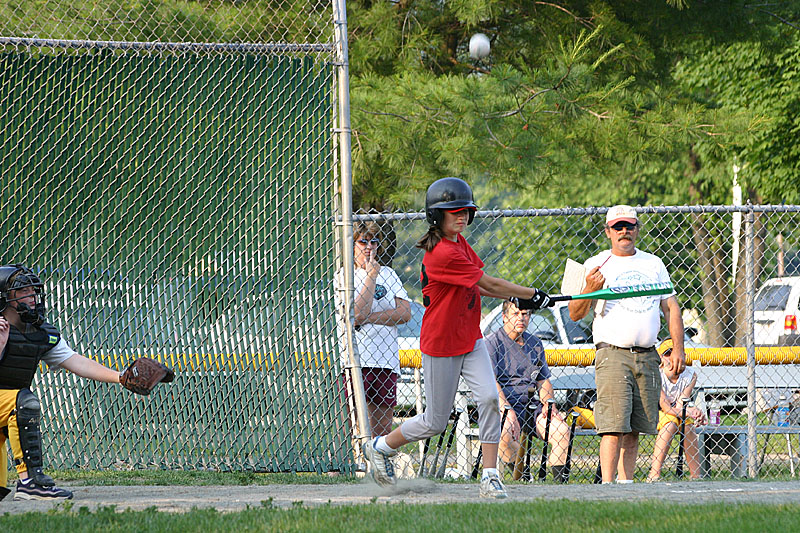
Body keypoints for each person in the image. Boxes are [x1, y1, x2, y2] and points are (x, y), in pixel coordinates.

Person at [361, 177, 553, 499]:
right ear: (437, 216)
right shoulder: (441, 253)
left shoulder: (461, 244)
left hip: (471, 338)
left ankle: (490, 476)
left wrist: (524, 297)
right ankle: (380, 447)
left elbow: (477, 284)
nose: (462, 216)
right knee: (435, 421)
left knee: (491, 399)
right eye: (454, 212)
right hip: (442, 344)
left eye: (466, 211)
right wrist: (530, 294)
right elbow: (489, 284)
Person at [568, 205, 685, 483]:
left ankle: (626, 484)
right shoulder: (594, 263)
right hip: (613, 353)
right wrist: (589, 289)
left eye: (630, 226)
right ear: (607, 231)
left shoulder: (653, 263)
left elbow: (670, 307)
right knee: (613, 426)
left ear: (637, 229)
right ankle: (608, 486)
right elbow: (575, 313)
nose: (624, 232)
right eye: (618, 227)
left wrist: (678, 348)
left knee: (634, 427)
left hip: (647, 354)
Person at [0, 265, 127, 501]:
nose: (32, 298)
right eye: (23, 292)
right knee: (23, 402)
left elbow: (77, 362)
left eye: (33, 292)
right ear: (4, 297)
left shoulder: (39, 332)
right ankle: (31, 484)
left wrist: (120, 377)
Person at [336, 221, 411, 437]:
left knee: (381, 432)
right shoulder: (344, 276)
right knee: (350, 428)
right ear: (352, 245)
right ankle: (343, 471)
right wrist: (370, 276)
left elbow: (404, 313)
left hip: (385, 361)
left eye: (374, 242)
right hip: (356, 362)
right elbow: (356, 314)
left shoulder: (388, 274)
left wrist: (369, 317)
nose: (369, 247)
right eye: (363, 242)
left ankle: (377, 469)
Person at [487, 300, 571, 482]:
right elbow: (490, 382)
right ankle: (525, 478)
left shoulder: (535, 343)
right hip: (504, 406)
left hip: (532, 407)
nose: (521, 318)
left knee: (561, 430)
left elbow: (543, 380)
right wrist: (507, 411)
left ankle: (558, 487)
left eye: (525, 314)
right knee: (504, 432)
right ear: (504, 317)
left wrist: (549, 404)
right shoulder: (492, 343)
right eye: (516, 314)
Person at [647, 338, 706, 482]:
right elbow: (665, 406)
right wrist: (689, 411)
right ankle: (654, 475)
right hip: (654, 413)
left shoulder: (690, 375)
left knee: (688, 424)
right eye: (667, 354)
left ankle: (695, 475)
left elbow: (681, 404)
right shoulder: (656, 375)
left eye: (676, 353)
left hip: (675, 413)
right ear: (661, 358)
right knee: (670, 424)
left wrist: (692, 412)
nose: (672, 357)